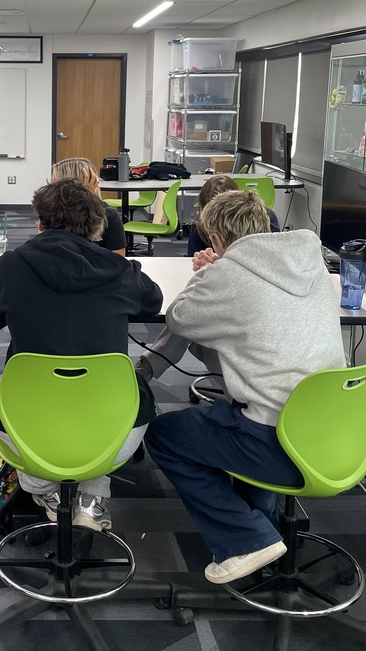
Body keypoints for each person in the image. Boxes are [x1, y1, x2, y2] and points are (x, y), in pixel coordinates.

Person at [144, 189, 345, 585]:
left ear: (216, 239)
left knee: (166, 435)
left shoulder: (226, 273)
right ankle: (267, 524)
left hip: (277, 445)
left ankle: (246, 538)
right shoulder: (313, 263)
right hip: (334, 435)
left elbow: (182, 318)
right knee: (247, 400)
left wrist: (206, 274)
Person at [0, 178, 163, 531]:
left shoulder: (8, 268)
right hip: (113, 432)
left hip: (29, 428)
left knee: (2, 383)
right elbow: (153, 302)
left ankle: (43, 489)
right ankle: (93, 498)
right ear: (97, 227)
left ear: (40, 223)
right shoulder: (121, 272)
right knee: (130, 389)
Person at [136, 174, 280, 383]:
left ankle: (147, 367)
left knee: (193, 315)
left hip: (251, 352)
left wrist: (211, 273)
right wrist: (214, 266)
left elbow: (179, 318)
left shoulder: (264, 227)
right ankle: (148, 366)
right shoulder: (306, 266)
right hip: (295, 380)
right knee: (197, 313)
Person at [50, 156, 126, 255]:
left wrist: (87, 202)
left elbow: (119, 261)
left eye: (55, 184)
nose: (50, 189)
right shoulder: (54, 212)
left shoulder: (108, 216)